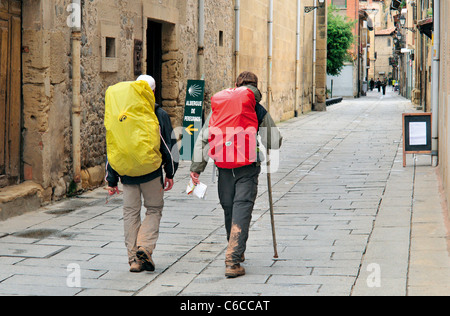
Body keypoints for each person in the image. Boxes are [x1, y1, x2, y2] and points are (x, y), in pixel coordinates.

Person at [190, 71, 283, 278]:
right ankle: (233, 259)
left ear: (236, 84)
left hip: (223, 167)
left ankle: (234, 250)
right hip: (247, 166)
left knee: (229, 207)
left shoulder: (220, 107)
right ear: (256, 88)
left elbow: (204, 139)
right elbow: (274, 141)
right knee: (243, 207)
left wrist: (196, 168)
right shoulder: (256, 107)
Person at [105, 75, 179, 273]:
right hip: (151, 173)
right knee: (154, 209)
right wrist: (170, 172)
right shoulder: (158, 113)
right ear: (153, 91)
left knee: (130, 213)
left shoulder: (121, 113)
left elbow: (113, 145)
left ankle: (134, 260)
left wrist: (111, 179)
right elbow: (169, 146)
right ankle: (144, 247)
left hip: (126, 174)